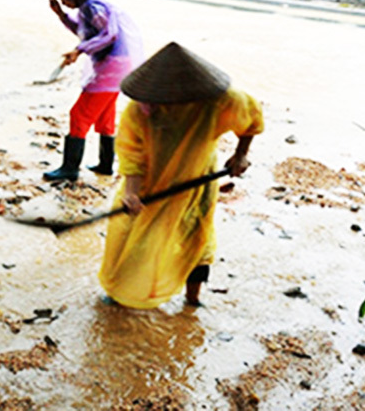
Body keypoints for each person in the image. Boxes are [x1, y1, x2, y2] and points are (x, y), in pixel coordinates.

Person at [98, 42, 264, 309]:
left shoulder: (220, 101)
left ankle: (193, 299)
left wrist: (241, 154)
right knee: (131, 235)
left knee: (196, 237)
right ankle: (121, 292)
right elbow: (132, 154)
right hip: (150, 182)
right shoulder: (140, 109)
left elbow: (251, 119)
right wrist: (131, 192)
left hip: (197, 180)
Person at [42, 0, 143, 182]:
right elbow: (84, 30)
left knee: (79, 114)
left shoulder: (91, 7)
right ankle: (105, 164)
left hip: (110, 67)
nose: (65, 2)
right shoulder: (96, 5)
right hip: (120, 67)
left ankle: (70, 169)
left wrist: (79, 51)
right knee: (105, 116)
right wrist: (61, 14)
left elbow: (109, 34)